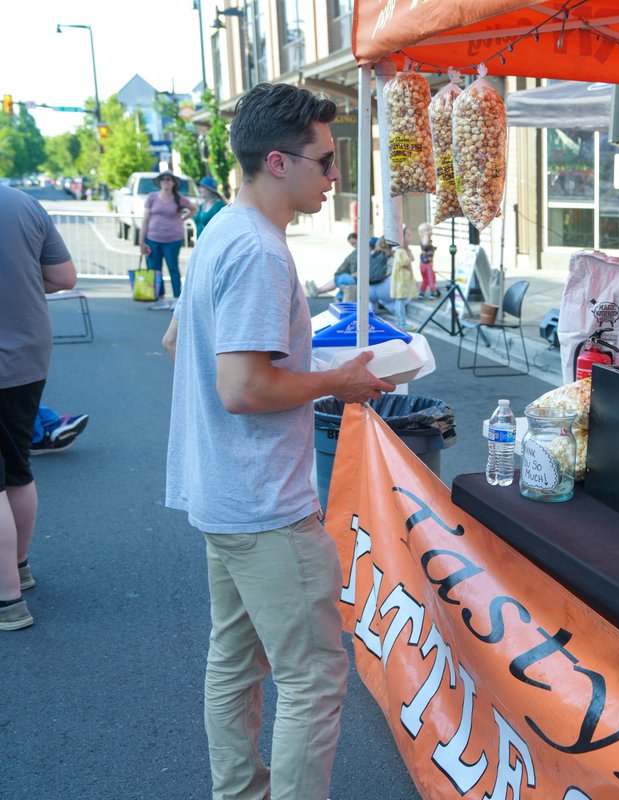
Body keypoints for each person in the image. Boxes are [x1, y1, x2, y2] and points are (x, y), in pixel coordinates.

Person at [161, 83, 394, 799]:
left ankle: (239, 793)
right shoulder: (261, 253)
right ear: (277, 161)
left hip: (222, 493)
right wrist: (335, 384)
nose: (333, 177)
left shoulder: (220, 231)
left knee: (235, 662)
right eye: (325, 161)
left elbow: (182, 345)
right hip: (265, 503)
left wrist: (298, 367)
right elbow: (243, 388)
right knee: (314, 677)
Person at [0, 184, 77, 631]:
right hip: (28, 354)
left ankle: (7, 599)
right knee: (17, 468)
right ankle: (21, 567)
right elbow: (65, 277)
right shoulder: (24, 204)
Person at [138, 171, 197, 311]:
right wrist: (141, 241)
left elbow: (193, 209)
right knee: (154, 269)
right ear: (159, 182)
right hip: (152, 239)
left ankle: (177, 299)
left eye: (169, 180)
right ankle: (160, 299)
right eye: (163, 179)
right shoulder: (152, 198)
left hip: (172, 239)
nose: (166, 182)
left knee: (173, 268)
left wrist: (183, 219)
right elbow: (145, 219)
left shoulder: (178, 199)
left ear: (173, 183)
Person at [305, 231, 357, 298]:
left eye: (354, 243)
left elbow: (353, 269)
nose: (354, 245)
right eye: (352, 244)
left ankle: (318, 290)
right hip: (345, 275)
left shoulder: (357, 252)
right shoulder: (356, 253)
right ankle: (318, 290)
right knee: (340, 282)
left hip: (345, 276)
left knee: (339, 282)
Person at [417, 222, 438, 299]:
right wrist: (426, 236)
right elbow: (425, 245)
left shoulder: (426, 239)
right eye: (428, 230)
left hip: (423, 263)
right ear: (423, 232)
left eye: (431, 230)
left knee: (425, 279)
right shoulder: (425, 239)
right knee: (431, 278)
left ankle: (421, 292)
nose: (431, 232)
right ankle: (433, 292)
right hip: (426, 264)